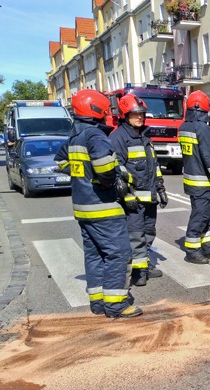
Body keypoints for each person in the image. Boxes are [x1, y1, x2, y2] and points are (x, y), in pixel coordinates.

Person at [54, 89, 142, 318]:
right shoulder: (95, 135)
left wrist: (82, 176)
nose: (108, 114)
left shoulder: (74, 137)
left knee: (94, 256)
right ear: (97, 110)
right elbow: (104, 167)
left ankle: (98, 302)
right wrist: (110, 183)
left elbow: (61, 161)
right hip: (103, 208)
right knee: (119, 254)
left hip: (82, 209)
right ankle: (116, 305)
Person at [109, 94, 168, 286]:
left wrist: (160, 188)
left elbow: (154, 165)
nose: (140, 117)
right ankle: (137, 272)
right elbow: (117, 170)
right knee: (135, 236)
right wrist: (126, 196)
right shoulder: (118, 138)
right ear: (125, 115)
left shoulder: (145, 136)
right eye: (135, 114)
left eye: (142, 114)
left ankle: (144, 265)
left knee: (149, 232)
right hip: (132, 199)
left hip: (149, 197)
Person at [178, 90, 210, 264]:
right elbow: (209, 158)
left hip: (191, 179)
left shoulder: (184, 127)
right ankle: (192, 250)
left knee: (205, 214)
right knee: (201, 215)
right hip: (201, 181)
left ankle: (209, 246)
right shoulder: (203, 128)